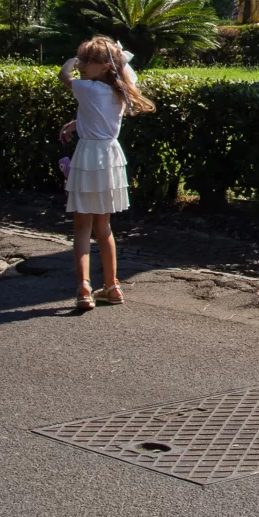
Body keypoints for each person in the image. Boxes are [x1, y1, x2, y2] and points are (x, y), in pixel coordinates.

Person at [60, 35, 151, 314]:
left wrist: (70, 62)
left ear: (103, 66)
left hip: (88, 156)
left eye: (88, 61)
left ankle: (84, 286)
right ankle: (111, 285)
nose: (83, 66)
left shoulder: (86, 88)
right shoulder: (121, 90)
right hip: (110, 156)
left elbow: (64, 76)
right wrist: (76, 123)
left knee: (82, 226)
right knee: (104, 226)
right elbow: (98, 116)